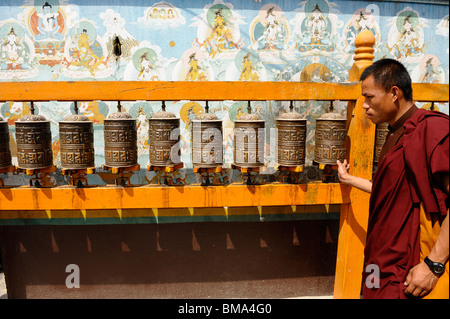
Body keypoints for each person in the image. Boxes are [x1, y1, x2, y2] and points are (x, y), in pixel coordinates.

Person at [337, 58, 449, 299]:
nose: (364, 105)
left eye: (369, 97)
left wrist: (433, 265)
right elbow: (389, 191)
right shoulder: (395, 134)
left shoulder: (431, 131)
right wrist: (349, 180)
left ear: (394, 93)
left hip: (416, 268)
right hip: (382, 259)